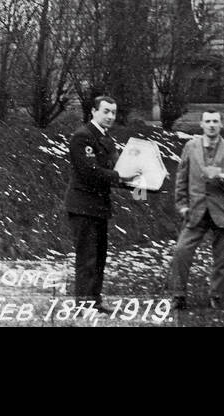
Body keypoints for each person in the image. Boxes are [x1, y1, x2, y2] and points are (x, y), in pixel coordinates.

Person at [65, 95, 138, 314]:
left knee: (98, 256)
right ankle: (83, 304)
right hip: (83, 206)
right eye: (105, 111)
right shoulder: (83, 137)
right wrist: (120, 176)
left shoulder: (106, 139)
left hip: (98, 206)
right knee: (87, 257)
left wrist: (141, 186)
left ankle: (94, 300)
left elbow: (116, 171)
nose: (110, 116)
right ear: (93, 112)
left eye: (113, 112)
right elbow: (90, 172)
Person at [167, 110, 224, 310]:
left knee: (222, 258)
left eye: (215, 121)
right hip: (196, 210)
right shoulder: (190, 147)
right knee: (181, 252)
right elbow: (182, 178)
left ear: (222, 125)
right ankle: (178, 295)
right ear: (201, 124)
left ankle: (218, 296)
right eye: (208, 121)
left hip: (222, 210)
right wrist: (182, 205)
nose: (211, 125)